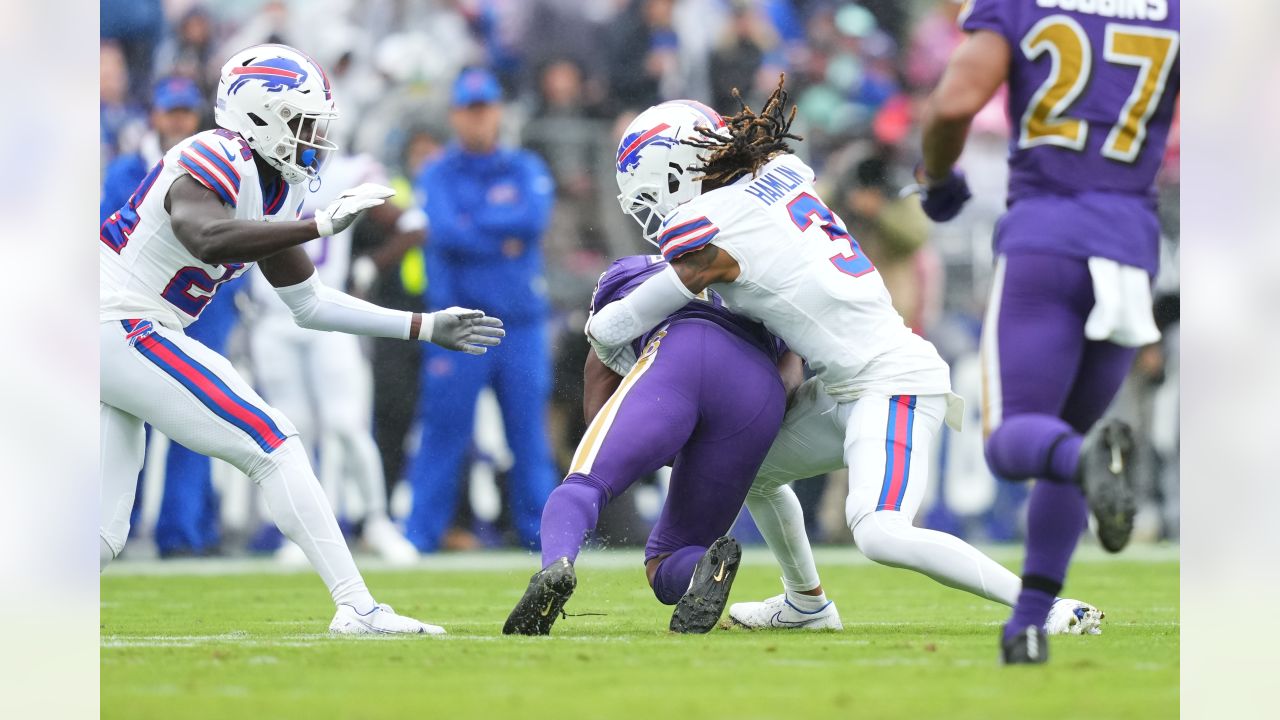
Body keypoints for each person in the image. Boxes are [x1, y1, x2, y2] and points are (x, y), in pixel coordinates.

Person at [587, 88, 1099, 638]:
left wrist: (603, 331)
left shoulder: (718, 221)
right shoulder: (777, 173)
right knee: (745, 467)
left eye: (647, 193)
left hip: (893, 380)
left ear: (673, 167)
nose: (650, 210)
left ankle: (1041, 605)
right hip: (847, 384)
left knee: (879, 532)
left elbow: (633, 313)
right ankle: (806, 605)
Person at [100, 43, 504, 635]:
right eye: (302, 121)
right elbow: (207, 235)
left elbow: (309, 303)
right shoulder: (213, 153)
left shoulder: (273, 185)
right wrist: (318, 223)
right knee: (274, 441)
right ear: (259, 115)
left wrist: (421, 325)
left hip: (119, 329)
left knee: (102, 538)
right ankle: (359, 608)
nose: (312, 136)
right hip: (117, 321)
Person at [915, 0, 1180, 663]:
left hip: (1047, 237)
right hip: (1132, 245)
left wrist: (939, 180)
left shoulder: (1020, 4)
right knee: (1061, 439)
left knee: (1016, 444)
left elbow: (952, 104)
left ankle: (1085, 465)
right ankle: (1028, 626)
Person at [504, 255, 799, 635]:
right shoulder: (765, 274)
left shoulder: (635, 270)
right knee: (668, 557)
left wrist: (641, 447)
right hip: (760, 391)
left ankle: (556, 565)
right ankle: (697, 572)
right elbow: (791, 376)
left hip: (681, 350)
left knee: (585, 483)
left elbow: (601, 370)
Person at [404, 67, 558, 553]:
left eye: (485, 109)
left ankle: (547, 539)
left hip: (520, 322)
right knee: (443, 435)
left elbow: (532, 218)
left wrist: (473, 227)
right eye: (470, 110)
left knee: (529, 436)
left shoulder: (525, 166)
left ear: (497, 112)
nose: (478, 120)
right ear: (455, 116)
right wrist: (500, 237)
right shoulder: (437, 172)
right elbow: (445, 230)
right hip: (460, 324)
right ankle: (419, 536)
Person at [247, 150, 425, 566]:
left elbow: (412, 224)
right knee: (291, 431)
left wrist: (370, 265)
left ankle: (377, 521)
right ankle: (301, 533)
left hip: (326, 311)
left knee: (346, 423)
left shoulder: (346, 172)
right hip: (272, 318)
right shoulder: (250, 169)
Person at [101, 74, 236, 558]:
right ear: (155, 115)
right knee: (125, 413)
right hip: (136, 306)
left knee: (195, 420)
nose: (178, 119)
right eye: (170, 111)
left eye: (185, 111)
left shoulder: (222, 170)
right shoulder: (126, 169)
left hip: (202, 307)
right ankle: (118, 529)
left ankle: (182, 533)